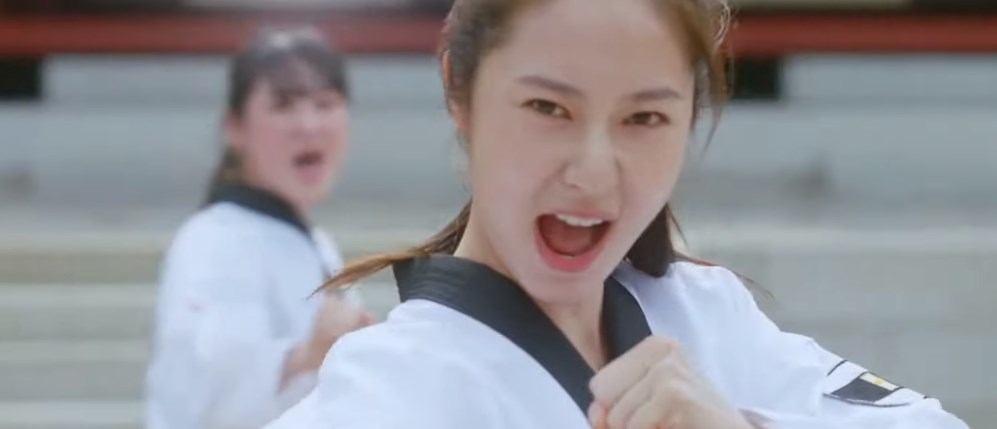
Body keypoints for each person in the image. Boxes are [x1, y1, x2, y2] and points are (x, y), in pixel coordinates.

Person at [267, 0, 969, 428]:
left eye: (644, 118)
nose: (593, 172)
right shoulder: (395, 390)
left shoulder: (705, 314)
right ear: (459, 89)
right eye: (549, 108)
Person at [145, 28, 373, 429]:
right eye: (283, 106)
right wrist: (306, 354)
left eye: (325, 104)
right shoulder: (214, 240)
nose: (309, 125)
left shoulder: (317, 243)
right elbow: (200, 391)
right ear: (235, 127)